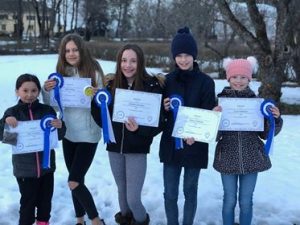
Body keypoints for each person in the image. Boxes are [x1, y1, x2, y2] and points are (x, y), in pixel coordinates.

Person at [91, 44, 164, 225]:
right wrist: (95, 103)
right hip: (115, 148)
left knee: (133, 198)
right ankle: (125, 220)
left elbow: (159, 123)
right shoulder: (110, 84)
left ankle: (141, 221)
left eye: (133, 61)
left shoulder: (152, 86)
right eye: (124, 60)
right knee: (122, 196)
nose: (128, 65)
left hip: (137, 149)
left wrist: (139, 130)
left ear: (140, 63)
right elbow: (102, 119)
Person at [42, 33, 105, 225]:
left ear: (81, 50)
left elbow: (102, 103)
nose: (71, 53)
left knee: (74, 181)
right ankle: (80, 220)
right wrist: (47, 90)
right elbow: (52, 105)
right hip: (69, 133)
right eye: (67, 50)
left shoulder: (93, 70)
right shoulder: (60, 72)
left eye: (75, 49)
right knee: (76, 181)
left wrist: (96, 95)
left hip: (88, 134)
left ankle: (96, 220)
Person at [213, 57, 283, 225]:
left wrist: (276, 119)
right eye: (235, 77)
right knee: (229, 199)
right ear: (228, 78)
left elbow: (266, 134)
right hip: (227, 158)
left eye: (243, 77)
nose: (239, 81)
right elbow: (214, 136)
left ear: (249, 79)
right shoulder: (220, 102)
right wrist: (213, 118)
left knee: (246, 201)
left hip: (251, 158)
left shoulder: (257, 103)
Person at [159, 27, 216, 225]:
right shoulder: (166, 81)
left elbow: (208, 113)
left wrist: (197, 134)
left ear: (194, 55)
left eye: (187, 55)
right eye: (179, 55)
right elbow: (159, 118)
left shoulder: (206, 82)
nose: (183, 59)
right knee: (170, 193)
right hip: (171, 146)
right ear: (174, 57)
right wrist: (164, 108)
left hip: (195, 146)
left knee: (190, 191)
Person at [0, 74, 66, 225]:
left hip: (47, 168)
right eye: (25, 90)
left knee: (45, 203)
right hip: (25, 171)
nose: (30, 95)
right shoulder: (12, 113)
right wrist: (5, 123)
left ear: (38, 92)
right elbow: (6, 138)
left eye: (34, 90)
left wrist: (60, 126)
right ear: (17, 91)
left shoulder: (47, 110)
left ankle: (43, 222)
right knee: (28, 204)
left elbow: (59, 136)